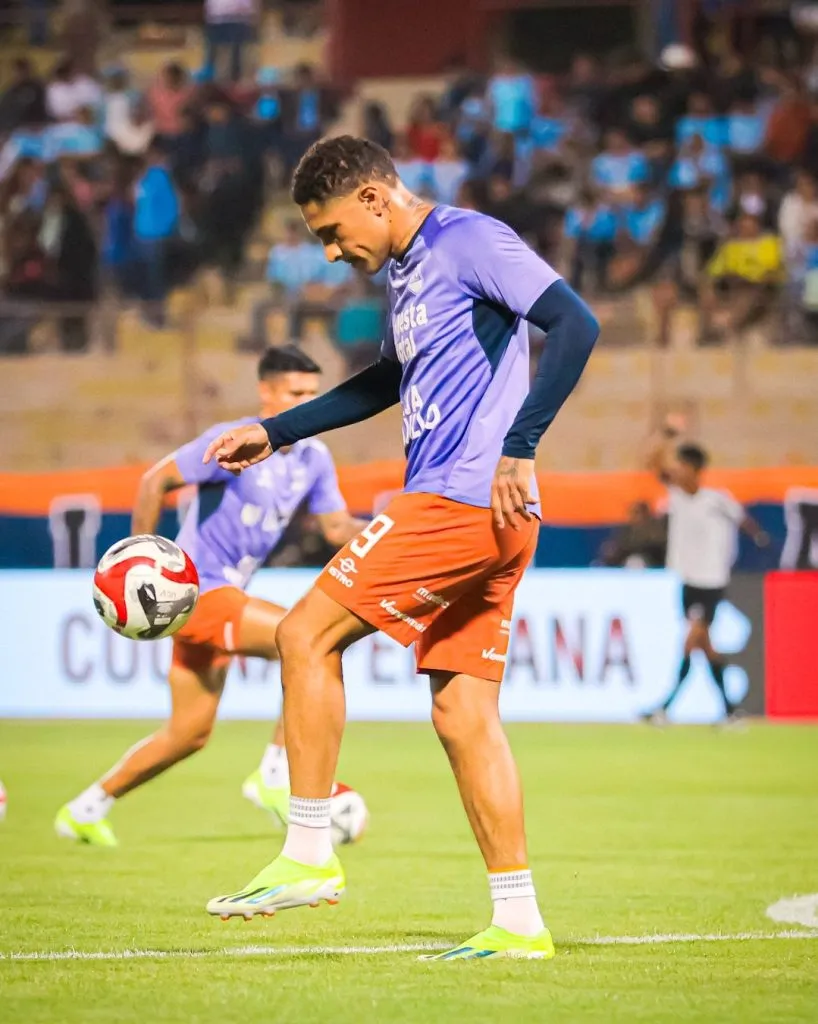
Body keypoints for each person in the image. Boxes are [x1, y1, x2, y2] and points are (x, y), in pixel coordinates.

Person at [201, 135, 599, 960]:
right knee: (462, 711)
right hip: (489, 514)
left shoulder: (468, 240)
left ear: (377, 199)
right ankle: (518, 920)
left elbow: (574, 322)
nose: (333, 250)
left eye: (333, 230)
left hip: (461, 498)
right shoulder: (410, 276)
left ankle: (309, 851)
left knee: (304, 634)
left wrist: (522, 444)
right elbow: (387, 382)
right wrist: (273, 433)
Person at [55, 346, 367, 847]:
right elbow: (155, 480)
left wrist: (388, 532)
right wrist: (141, 556)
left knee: (188, 734)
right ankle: (274, 773)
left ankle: (86, 807)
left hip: (225, 597)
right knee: (308, 637)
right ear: (266, 392)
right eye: (296, 393)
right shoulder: (236, 442)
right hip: (196, 593)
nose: (307, 402)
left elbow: (335, 527)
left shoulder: (314, 457)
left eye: (313, 394)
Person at [643, 421, 768, 725]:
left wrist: (758, 538)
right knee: (704, 645)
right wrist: (667, 436)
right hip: (687, 580)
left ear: (695, 469)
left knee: (693, 639)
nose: (677, 471)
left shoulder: (717, 500)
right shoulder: (677, 496)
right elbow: (653, 464)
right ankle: (730, 710)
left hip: (711, 581)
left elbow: (745, 522)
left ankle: (666, 707)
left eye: (682, 465)